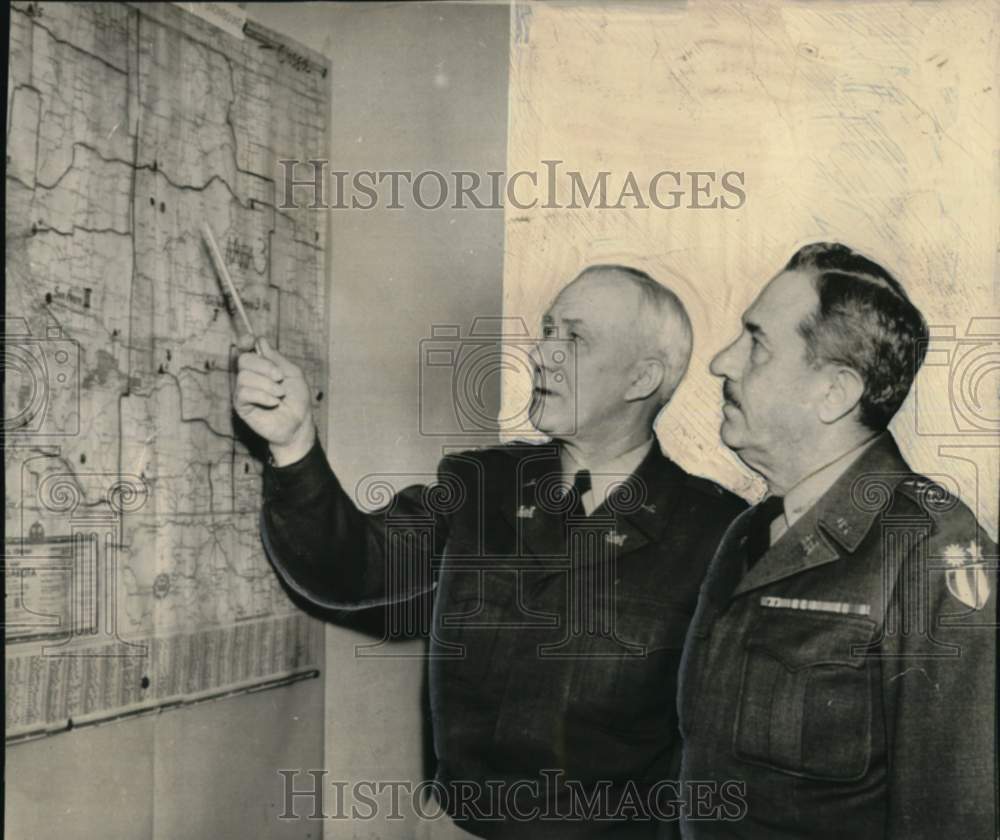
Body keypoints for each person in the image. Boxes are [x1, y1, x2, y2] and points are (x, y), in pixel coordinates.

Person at [236, 265, 746, 838]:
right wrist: (294, 443)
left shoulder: (717, 532)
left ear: (641, 378)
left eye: (574, 338)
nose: (541, 354)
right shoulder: (481, 485)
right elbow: (348, 569)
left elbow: (726, 750)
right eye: (547, 330)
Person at [677, 242, 997, 838]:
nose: (721, 362)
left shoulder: (933, 550)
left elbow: (954, 817)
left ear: (835, 392)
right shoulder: (748, 533)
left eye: (757, 344)